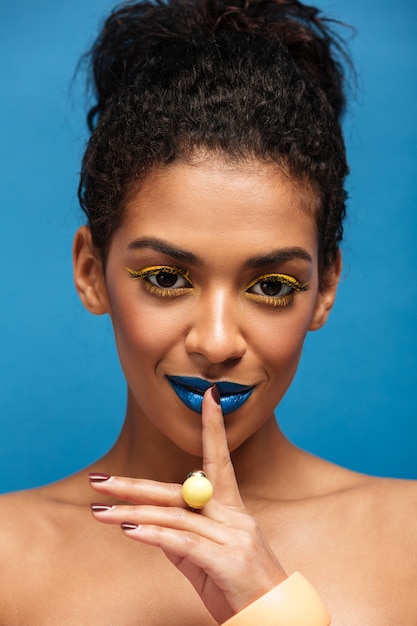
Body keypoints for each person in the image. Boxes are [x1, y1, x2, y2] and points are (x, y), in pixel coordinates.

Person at [0, 0, 415, 623]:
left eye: (272, 285)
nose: (217, 343)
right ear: (91, 271)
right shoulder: (9, 557)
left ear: (325, 287)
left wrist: (277, 611)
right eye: (167, 278)